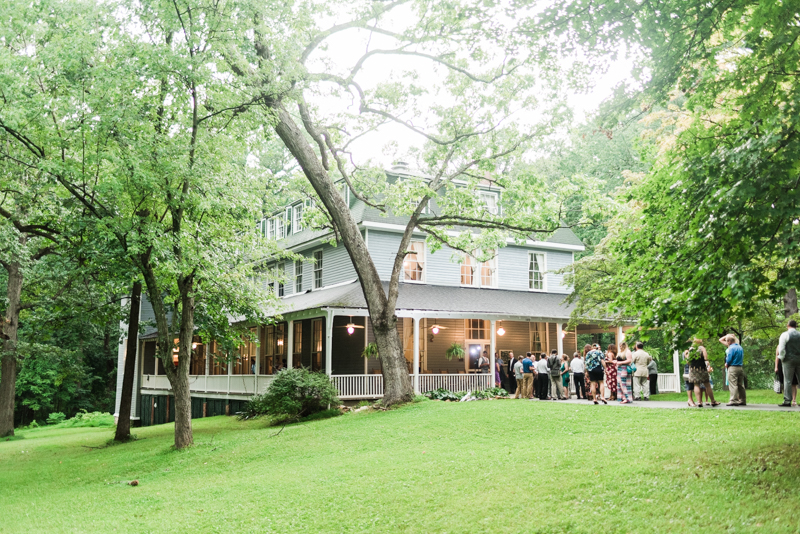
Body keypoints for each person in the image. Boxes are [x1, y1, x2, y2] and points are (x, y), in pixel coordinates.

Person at [686, 338, 719, 407]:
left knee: (696, 385)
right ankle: (713, 401)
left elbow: (688, 361)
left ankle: (699, 402)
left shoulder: (691, 349)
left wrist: (692, 365)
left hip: (693, 369)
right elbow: (706, 358)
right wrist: (704, 350)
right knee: (707, 385)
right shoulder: (702, 348)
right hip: (702, 369)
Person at [776, 319, 800, 407]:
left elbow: (781, 348)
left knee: (788, 380)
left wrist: (781, 358)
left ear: (788, 325)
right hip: (799, 358)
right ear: (796, 326)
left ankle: (787, 400)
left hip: (788, 359)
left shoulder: (785, 334)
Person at [720, 334, 746, 406]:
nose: (727, 342)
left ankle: (734, 400)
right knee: (740, 384)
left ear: (729, 341)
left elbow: (729, 358)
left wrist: (727, 363)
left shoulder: (731, 348)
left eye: (727, 341)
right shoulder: (740, 347)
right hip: (740, 367)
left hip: (733, 367)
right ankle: (742, 399)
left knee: (733, 384)